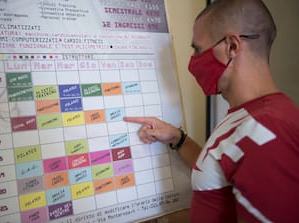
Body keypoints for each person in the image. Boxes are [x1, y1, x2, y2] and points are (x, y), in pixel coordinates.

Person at [124, 0, 299, 222]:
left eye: (198, 49)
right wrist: (178, 139)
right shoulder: (249, 117)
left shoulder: (268, 131)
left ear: (232, 47)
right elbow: (224, 174)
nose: (192, 62)